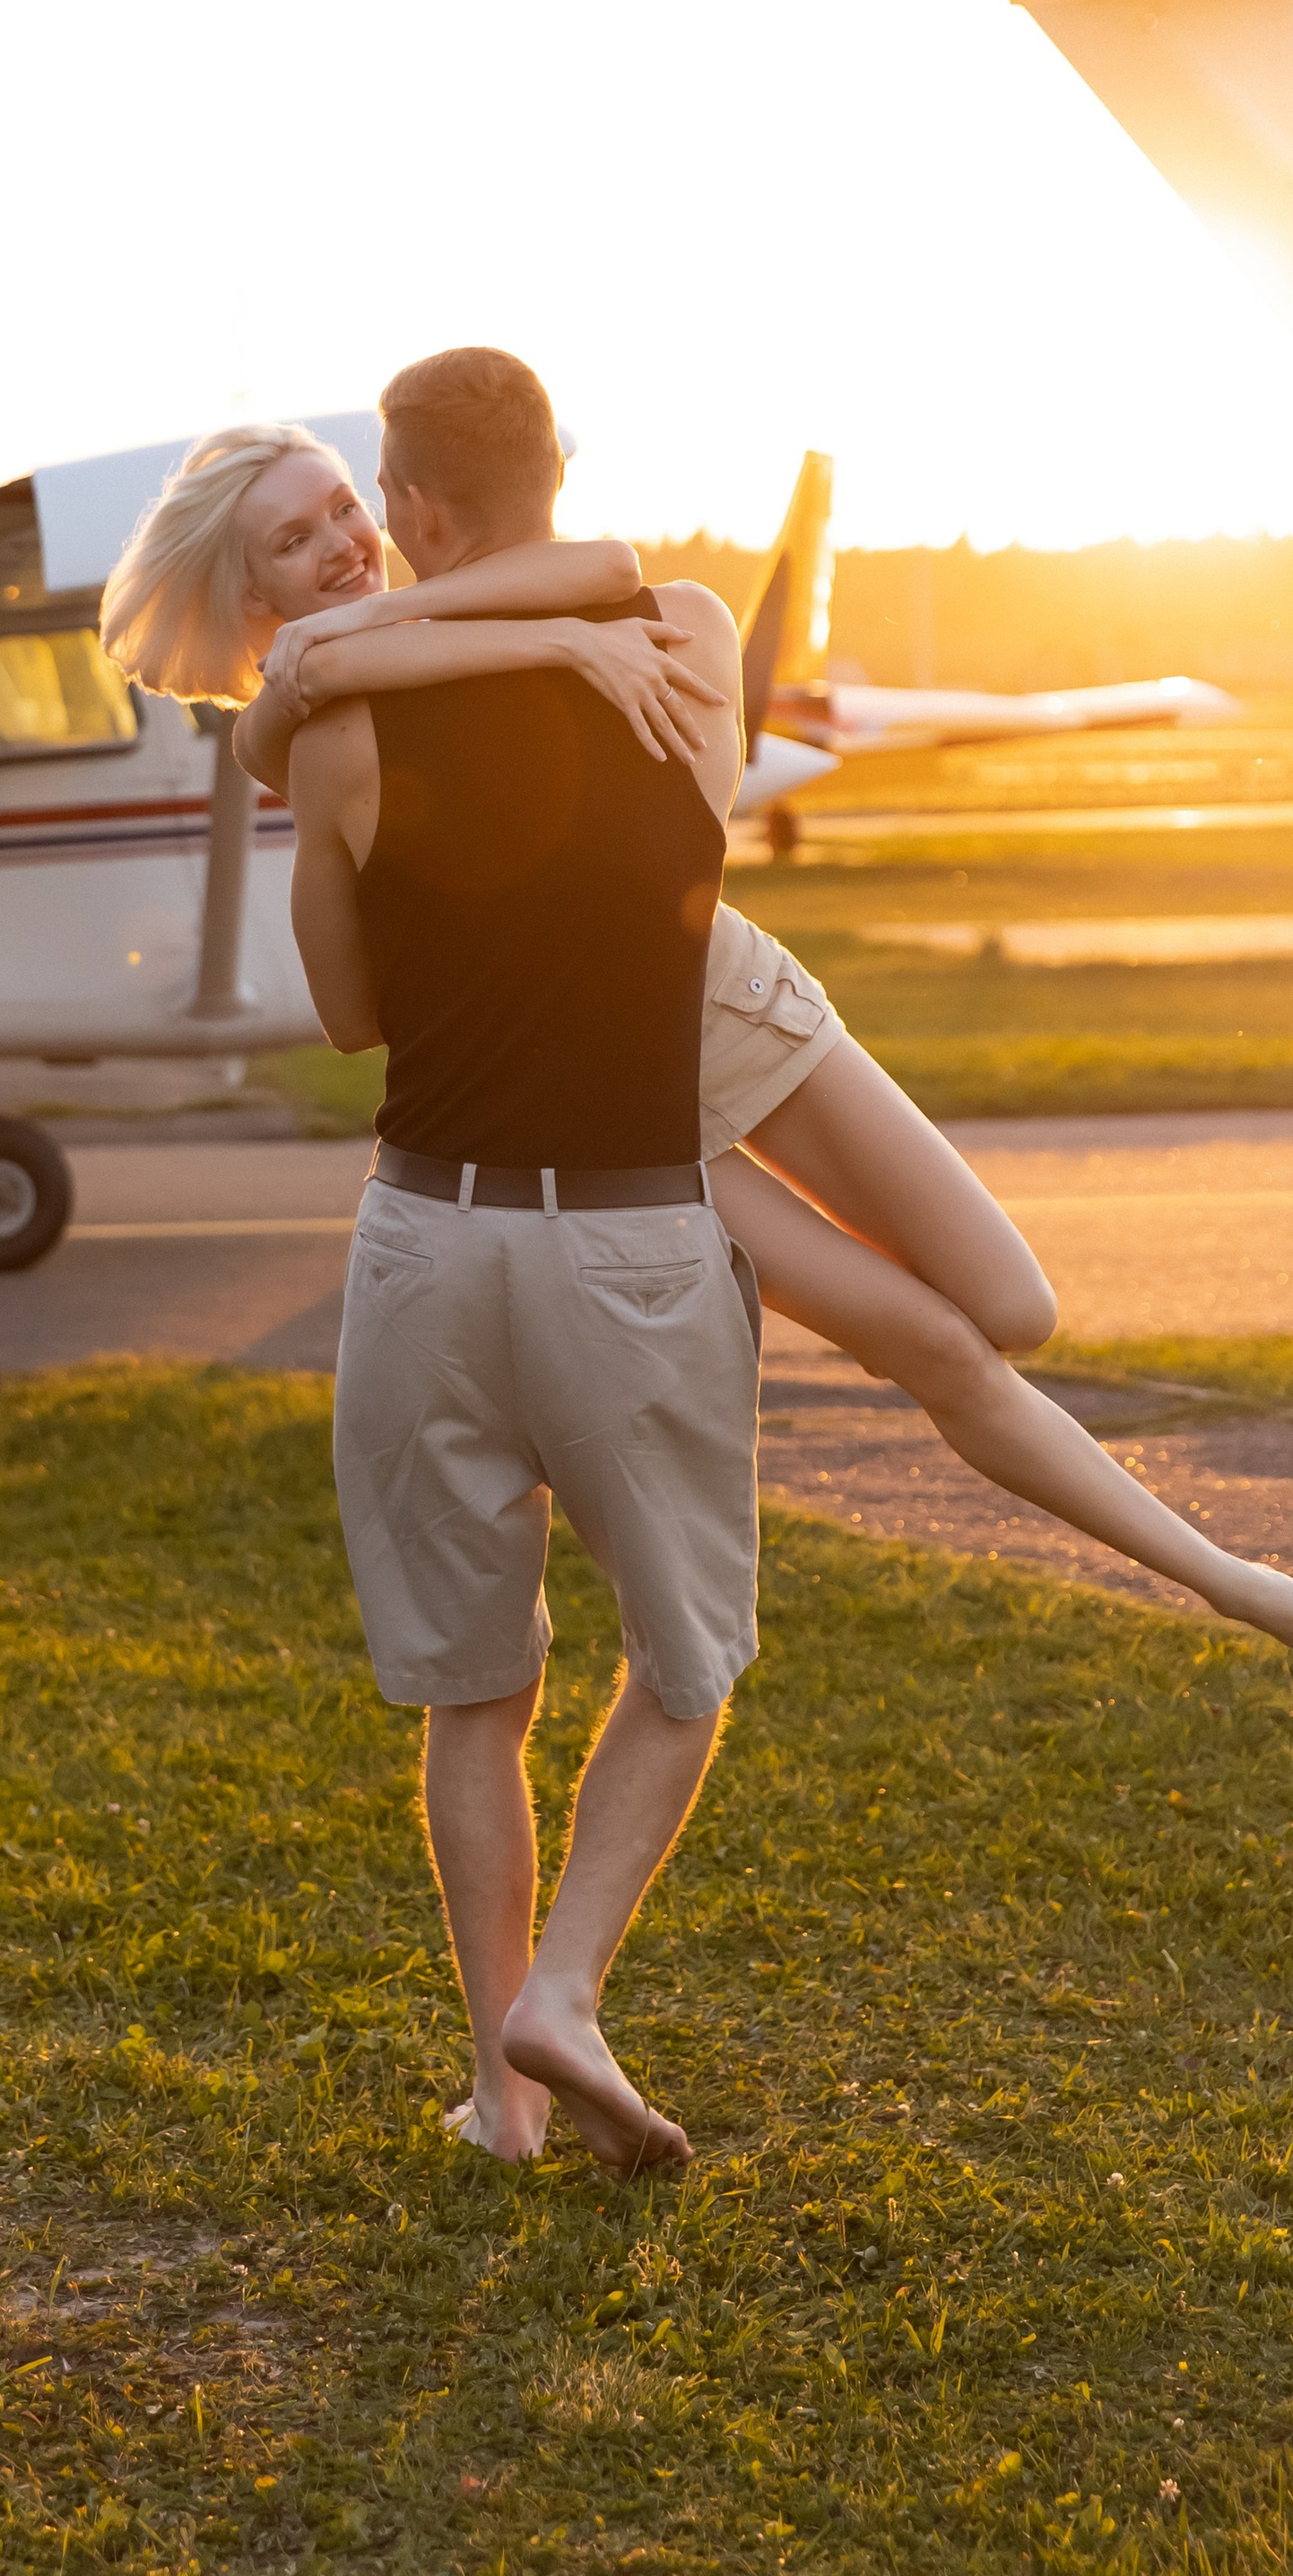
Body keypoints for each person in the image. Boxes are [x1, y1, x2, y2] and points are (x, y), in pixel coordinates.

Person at [100, 373, 1293, 1687]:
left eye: (346, 507)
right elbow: (300, 705)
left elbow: (587, 572)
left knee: (1013, 1306)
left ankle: (1238, 1578)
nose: (343, 542)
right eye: (298, 540)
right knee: (936, 1349)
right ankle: (1250, 1585)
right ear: (260, 598)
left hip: (721, 1006)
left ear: (397, 502)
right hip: (598, 1097)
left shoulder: (524, 616)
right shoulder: (328, 697)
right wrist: (499, 649)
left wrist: (444, 630)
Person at [287, 352, 753, 2173]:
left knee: (473, 1696)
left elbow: (341, 1014)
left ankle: (500, 2096)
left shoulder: (335, 725)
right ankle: (558, 1989)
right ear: (555, 472)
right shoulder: (685, 636)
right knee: (684, 1661)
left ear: (406, 508)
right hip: (629, 1232)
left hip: (420, 1235)